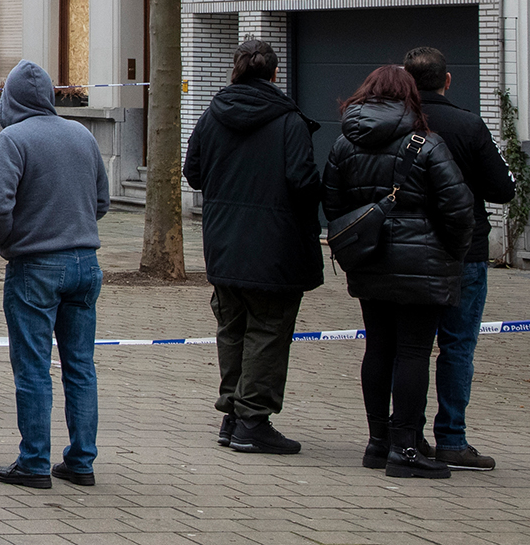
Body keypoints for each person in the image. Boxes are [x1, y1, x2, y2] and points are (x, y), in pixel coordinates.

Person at [322, 64, 476, 479]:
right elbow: (460, 211)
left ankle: (378, 442)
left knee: (378, 348)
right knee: (412, 352)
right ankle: (406, 448)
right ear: (410, 97)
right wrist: (451, 255)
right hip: (421, 266)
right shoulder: (427, 145)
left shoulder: (342, 145)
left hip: (369, 263)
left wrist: (356, 248)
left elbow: (334, 208)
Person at [181, 38, 323, 455]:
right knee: (267, 330)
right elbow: (302, 182)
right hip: (275, 248)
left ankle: (233, 414)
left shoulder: (212, 116)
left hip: (223, 242)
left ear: (235, 70)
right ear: (275, 74)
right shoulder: (289, 122)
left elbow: (194, 174)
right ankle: (252, 420)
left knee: (232, 329)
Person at [0, 59, 108, 490]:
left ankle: (34, 461)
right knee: (80, 366)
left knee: (33, 366)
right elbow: (103, 201)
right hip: (85, 264)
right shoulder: (82, 135)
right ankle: (81, 461)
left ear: (11, 99)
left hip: (34, 266)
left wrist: (9, 242)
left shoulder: (13, 139)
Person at [405, 46, 516, 471]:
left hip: (405, 253)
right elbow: (503, 188)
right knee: (458, 347)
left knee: (409, 346)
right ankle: (452, 438)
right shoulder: (468, 123)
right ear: (447, 80)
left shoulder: (396, 123)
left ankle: (405, 435)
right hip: (463, 252)